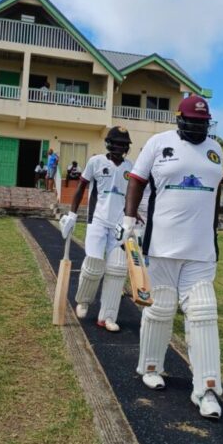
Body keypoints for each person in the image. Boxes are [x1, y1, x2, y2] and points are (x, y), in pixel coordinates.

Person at [118, 94, 223, 419]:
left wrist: (215, 230)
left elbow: (216, 191)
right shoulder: (158, 143)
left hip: (201, 249)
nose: (197, 129)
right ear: (179, 120)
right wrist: (128, 220)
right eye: (191, 124)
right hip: (161, 245)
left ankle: (206, 389)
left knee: (204, 313)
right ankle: (151, 367)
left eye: (202, 125)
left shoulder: (216, 149)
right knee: (160, 309)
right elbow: (136, 181)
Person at [59, 126, 132, 332]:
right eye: (116, 143)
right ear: (109, 144)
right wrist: (73, 214)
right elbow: (81, 187)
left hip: (119, 224)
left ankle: (107, 316)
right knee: (93, 263)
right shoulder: (96, 162)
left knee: (117, 270)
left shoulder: (130, 167)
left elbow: (132, 195)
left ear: (127, 147)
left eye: (123, 145)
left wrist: (134, 217)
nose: (119, 148)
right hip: (97, 221)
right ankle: (83, 300)